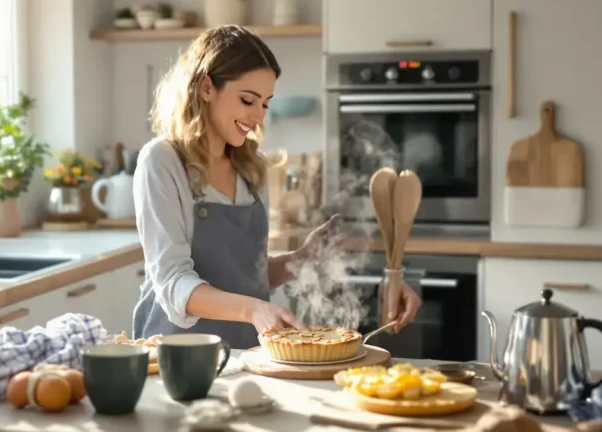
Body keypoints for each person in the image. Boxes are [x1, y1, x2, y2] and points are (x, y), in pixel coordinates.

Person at [132, 25, 422, 350]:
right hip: (177, 357)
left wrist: (304, 257)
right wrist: (255, 309)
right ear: (206, 88)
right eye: (247, 100)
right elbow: (172, 282)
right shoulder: (162, 160)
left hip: (245, 355)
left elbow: (246, 276)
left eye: (265, 104)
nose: (257, 116)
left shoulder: (250, 166)